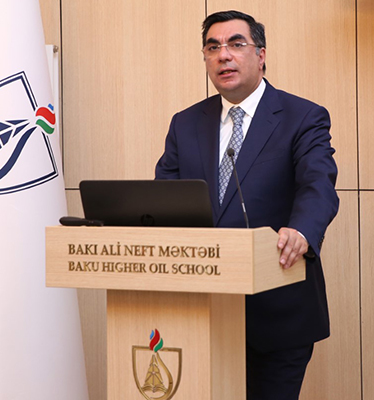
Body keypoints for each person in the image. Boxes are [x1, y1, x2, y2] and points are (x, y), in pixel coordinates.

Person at [155, 10, 339, 400]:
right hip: (200, 312)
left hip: (276, 311)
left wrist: (302, 230)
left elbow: (317, 185)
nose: (223, 54)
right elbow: (164, 198)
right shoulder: (186, 123)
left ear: (261, 54)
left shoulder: (302, 116)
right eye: (213, 47)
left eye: (236, 44)